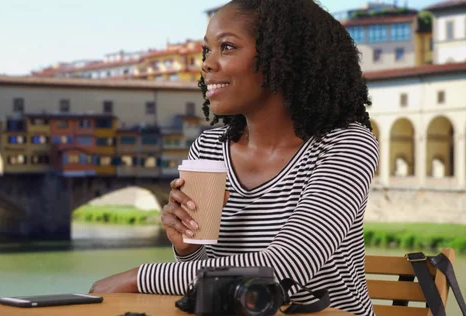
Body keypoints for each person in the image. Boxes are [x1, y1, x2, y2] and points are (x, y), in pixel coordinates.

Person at [89, 0, 378, 315]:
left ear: (282, 58)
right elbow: (208, 279)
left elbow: (285, 265)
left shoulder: (346, 145)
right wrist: (188, 248)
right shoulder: (210, 148)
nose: (207, 64)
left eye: (226, 47)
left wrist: (139, 277)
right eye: (206, 51)